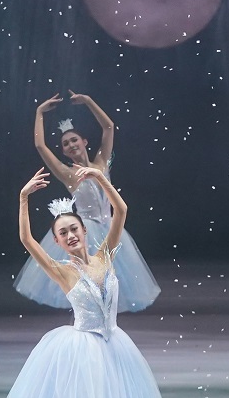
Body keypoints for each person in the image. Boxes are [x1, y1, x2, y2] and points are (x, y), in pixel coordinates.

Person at [0, 166, 171, 398]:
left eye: (74, 228)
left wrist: (100, 180)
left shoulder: (106, 255)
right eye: (63, 233)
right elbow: (27, 239)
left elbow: (121, 212)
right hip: (80, 353)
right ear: (58, 242)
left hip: (113, 350)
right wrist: (23, 198)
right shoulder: (62, 271)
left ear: (84, 230)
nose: (70, 235)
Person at [14, 92, 160, 312]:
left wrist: (89, 102)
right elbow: (40, 146)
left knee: (108, 283)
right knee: (81, 285)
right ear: (63, 151)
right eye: (66, 143)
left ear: (84, 142)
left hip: (110, 226)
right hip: (87, 230)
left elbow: (109, 127)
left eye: (74, 139)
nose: (71, 144)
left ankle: (105, 324)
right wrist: (39, 113)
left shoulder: (101, 162)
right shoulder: (67, 173)